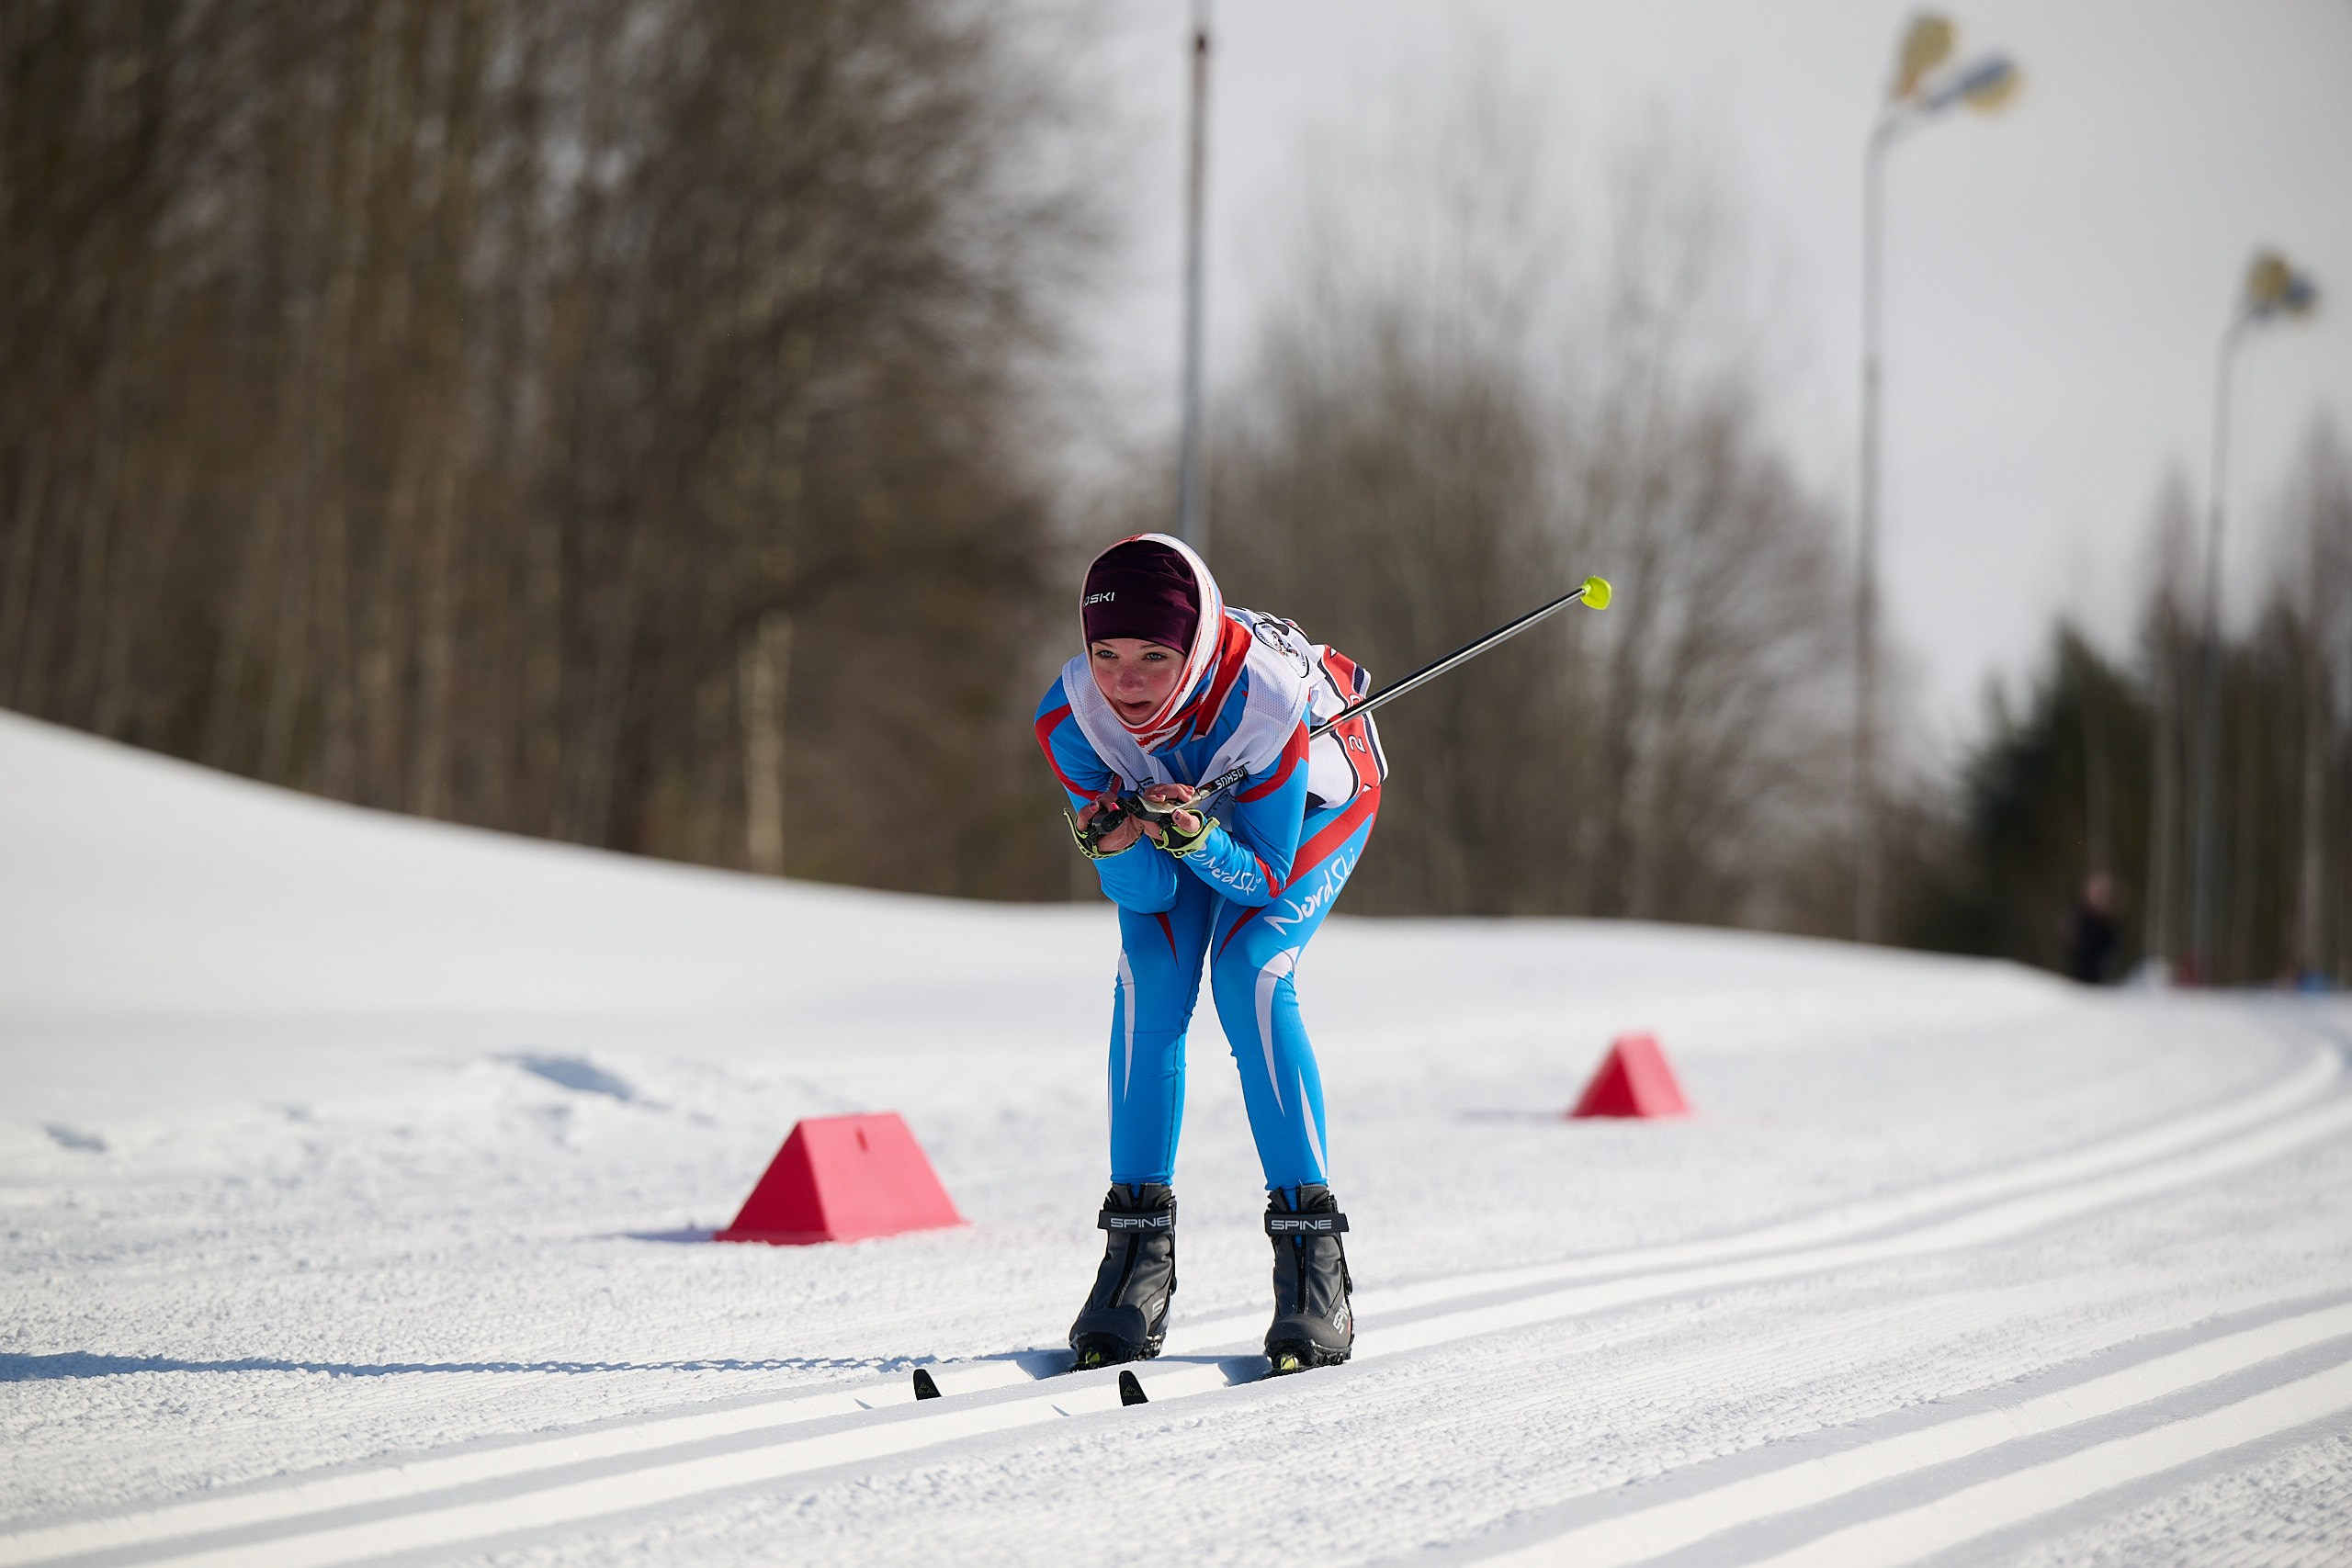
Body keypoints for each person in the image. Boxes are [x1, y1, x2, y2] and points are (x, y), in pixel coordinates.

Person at [1034, 533, 1385, 1373]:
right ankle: (1135, 1258)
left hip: (1308, 803)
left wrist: (1193, 834)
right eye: (1107, 653)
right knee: (1149, 976)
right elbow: (1149, 897)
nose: (1127, 682)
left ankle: (1313, 1261)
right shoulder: (1069, 717)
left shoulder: (1263, 705)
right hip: (1192, 820)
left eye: (1156, 656)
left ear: (1192, 648)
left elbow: (1261, 874)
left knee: (1249, 972)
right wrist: (1120, 846)